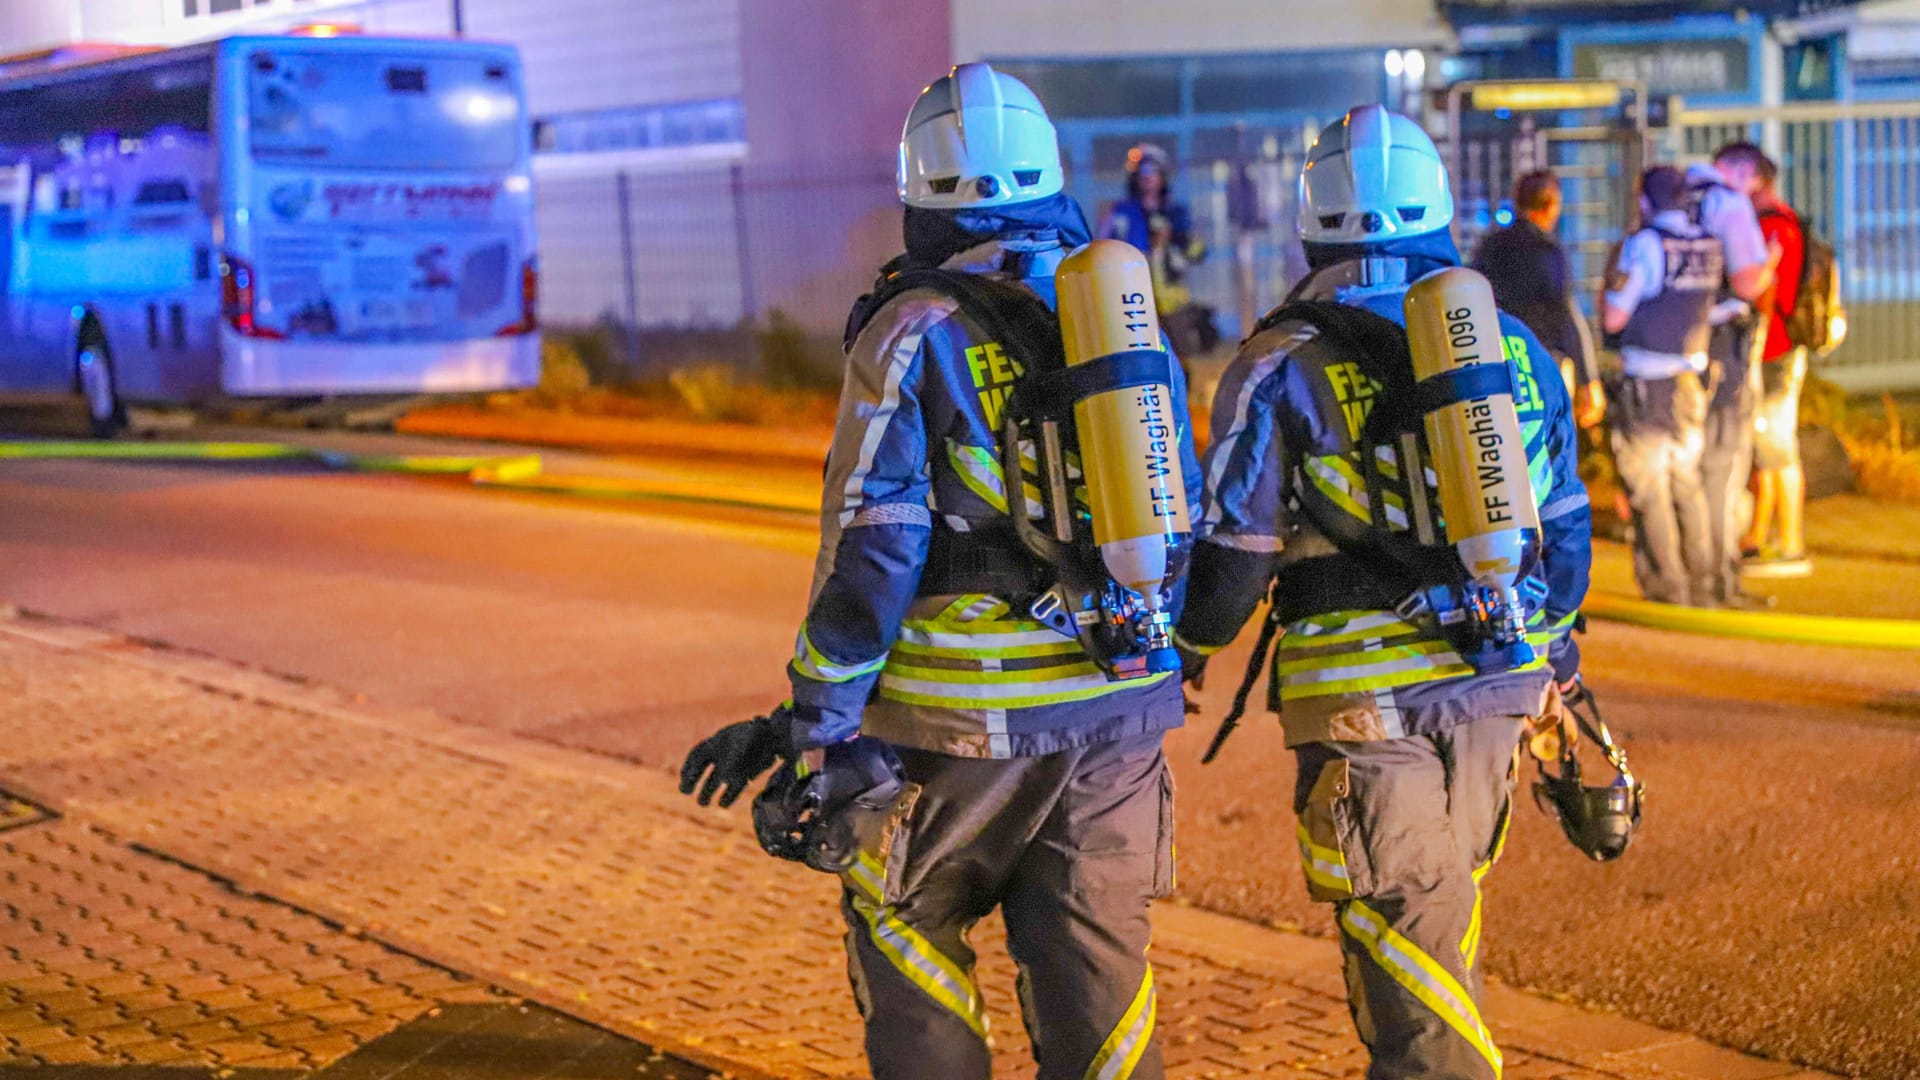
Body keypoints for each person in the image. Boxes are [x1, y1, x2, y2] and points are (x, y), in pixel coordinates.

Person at [678, 63, 1200, 1080]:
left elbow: (873, 543)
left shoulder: (913, 329)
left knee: (912, 945)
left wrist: (818, 723)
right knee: (1102, 991)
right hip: (1118, 711)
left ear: (920, 196)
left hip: (955, 731)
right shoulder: (1127, 326)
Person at [1174, 106, 1592, 1079]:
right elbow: (1564, 536)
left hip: (1361, 704)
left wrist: (1189, 647)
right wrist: (1554, 661)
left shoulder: (1276, 362)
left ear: (1311, 219)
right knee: (1434, 934)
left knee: (1411, 952)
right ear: (1439, 207)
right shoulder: (1518, 357)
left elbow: (1234, 558)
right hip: (1497, 681)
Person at [1602, 165, 1724, 606]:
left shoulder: (1647, 244)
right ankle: (1705, 584)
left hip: (1648, 385)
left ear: (1644, 199)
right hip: (1692, 381)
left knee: (1649, 488)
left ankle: (1668, 587)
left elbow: (1615, 316)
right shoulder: (1707, 244)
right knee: (1686, 483)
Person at [1691, 145, 1780, 607]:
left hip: (1680, 349)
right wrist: (1771, 264)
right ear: (1743, 171)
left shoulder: (1678, 193)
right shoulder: (1728, 201)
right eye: (1757, 184)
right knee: (1725, 466)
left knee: (1692, 466)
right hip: (1725, 343)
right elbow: (1747, 281)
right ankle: (1720, 579)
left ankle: (1688, 574)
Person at [1729, 149, 1812, 577]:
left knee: (1778, 448)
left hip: (1775, 351)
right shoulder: (1783, 221)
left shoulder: (1774, 227)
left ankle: (1792, 544)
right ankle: (1760, 539)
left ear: (1755, 178)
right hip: (1779, 349)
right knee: (1768, 447)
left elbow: (1767, 292)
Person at [1472, 168, 1605, 429]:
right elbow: (1566, 314)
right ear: (1551, 205)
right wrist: (1588, 379)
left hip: (1497, 362)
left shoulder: (1490, 247)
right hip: (1544, 365)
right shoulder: (1548, 251)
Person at [1099, 143, 1215, 359]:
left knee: (1180, 363)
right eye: (1143, 173)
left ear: (1163, 176)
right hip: (1131, 302)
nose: (1148, 178)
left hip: (1173, 302)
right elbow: (1103, 250)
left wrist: (1174, 239)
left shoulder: (1175, 213)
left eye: (1153, 173)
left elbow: (1198, 252)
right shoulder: (1121, 214)